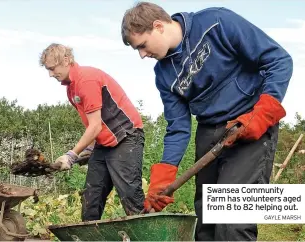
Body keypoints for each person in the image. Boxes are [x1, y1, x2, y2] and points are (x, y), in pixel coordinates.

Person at [121, 2, 292, 241]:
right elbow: (178, 127)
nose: (142, 54)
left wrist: (262, 114)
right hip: (209, 133)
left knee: (233, 222)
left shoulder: (216, 22)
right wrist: (164, 176)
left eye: (142, 45)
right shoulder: (163, 74)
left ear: (158, 26)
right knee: (207, 226)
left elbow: (279, 61)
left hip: (250, 125)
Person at [41, 43, 146, 221]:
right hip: (103, 144)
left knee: (130, 194)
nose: (51, 74)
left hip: (126, 137)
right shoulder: (71, 89)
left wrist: (71, 155)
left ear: (66, 60)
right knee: (92, 197)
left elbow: (95, 126)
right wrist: (89, 148)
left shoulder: (86, 80)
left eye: (52, 68)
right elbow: (92, 124)